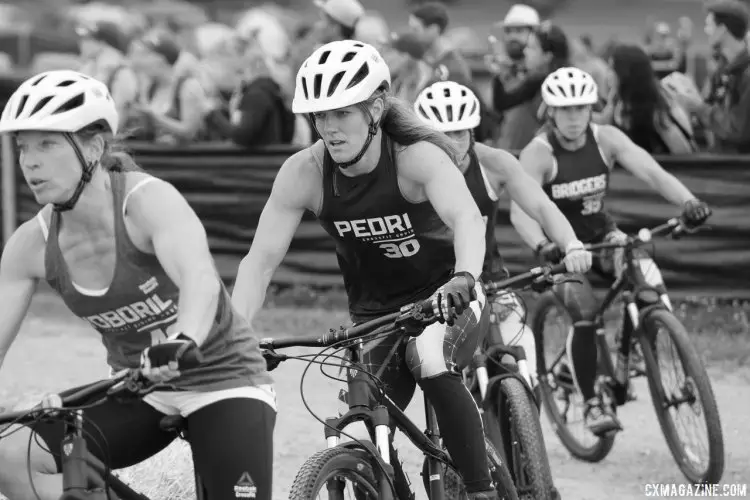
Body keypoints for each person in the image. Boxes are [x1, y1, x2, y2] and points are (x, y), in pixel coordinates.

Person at [232, 39, 493, 499]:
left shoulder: (414, 157)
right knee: (361, 424)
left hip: (446, 297)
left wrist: (464, 278)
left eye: (342, 113)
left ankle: (480, 490)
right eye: (318, 116)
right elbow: (259, 261)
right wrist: (235, 333)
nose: (328, 128)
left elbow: (467, 219)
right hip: (374, 316)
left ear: (375, 109)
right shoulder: (304, 172)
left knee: (431, 362)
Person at [0, 70, 275, 500]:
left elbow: (199, 279)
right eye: (23, 148)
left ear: (93, 147)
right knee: (11, 452)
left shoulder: (147, 202)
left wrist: (185, 338)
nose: (30, 161)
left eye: (47, 144)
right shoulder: (29, 246)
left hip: (224, 378)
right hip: (139, 391)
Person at [510, 67, 711, 435]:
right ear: (549, 111)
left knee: (647, 275)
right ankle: (591, 404)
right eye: (565, 109)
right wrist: (544, 245)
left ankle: (657, 345)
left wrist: (690, 202)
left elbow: (653, 173)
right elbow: (521, 211)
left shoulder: (607, 139)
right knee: (584, 316)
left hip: (604, 238)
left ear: (592, 109)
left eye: (581, 109)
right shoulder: (538, 154)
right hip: (563, 252)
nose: (574, 118)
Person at [413, 80, 592, 390]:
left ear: (472, 130)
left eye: (460, 132)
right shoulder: (408, 170)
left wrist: (572, 244)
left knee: (525, 368)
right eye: (440, 135)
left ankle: (526, 425)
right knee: (439, 376)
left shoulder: (494, 164)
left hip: (491, 280)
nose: (452, 143)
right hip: (433, 289)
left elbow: (542, 206)